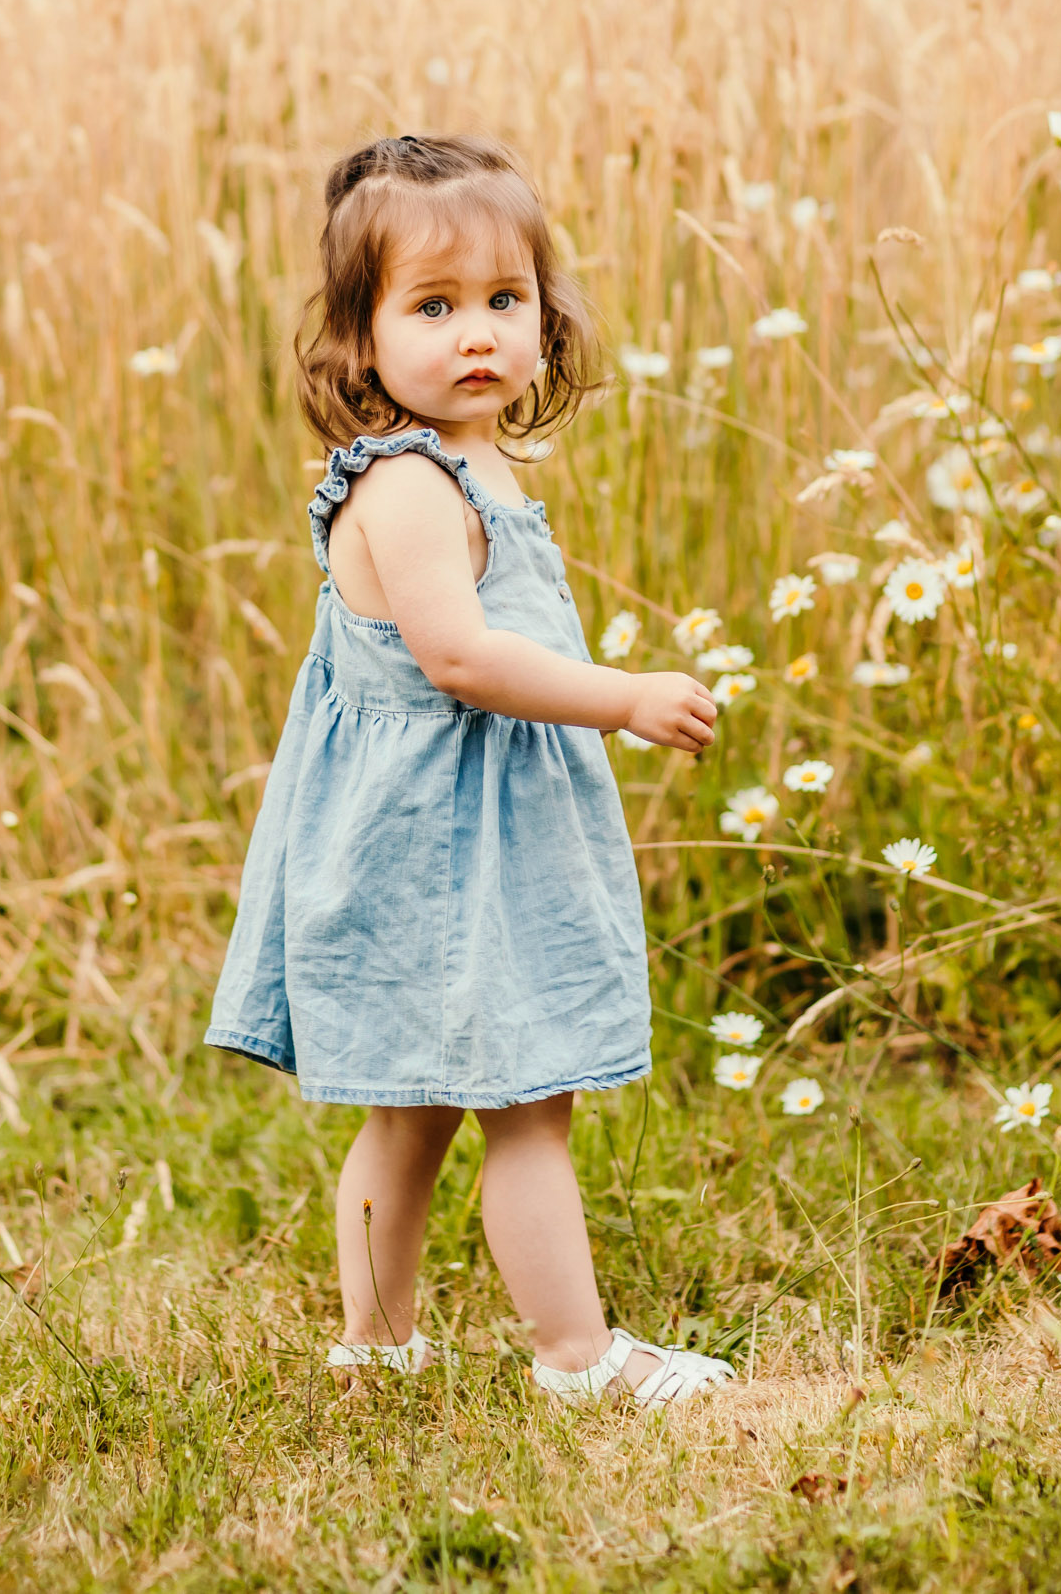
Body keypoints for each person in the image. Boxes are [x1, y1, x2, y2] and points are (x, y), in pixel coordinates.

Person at [204, 133, 733, 1408]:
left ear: (544, 318)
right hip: (440, 854)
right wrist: (623, 698)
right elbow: (459, 658)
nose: (477, 334)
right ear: (358, 337)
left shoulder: (472, 462)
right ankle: (577, 1357)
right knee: (518, 1106)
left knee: (418, 1111)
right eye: (431, 308)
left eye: (503, 301)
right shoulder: (403, 486)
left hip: (460, 837)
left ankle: (376, 1350)